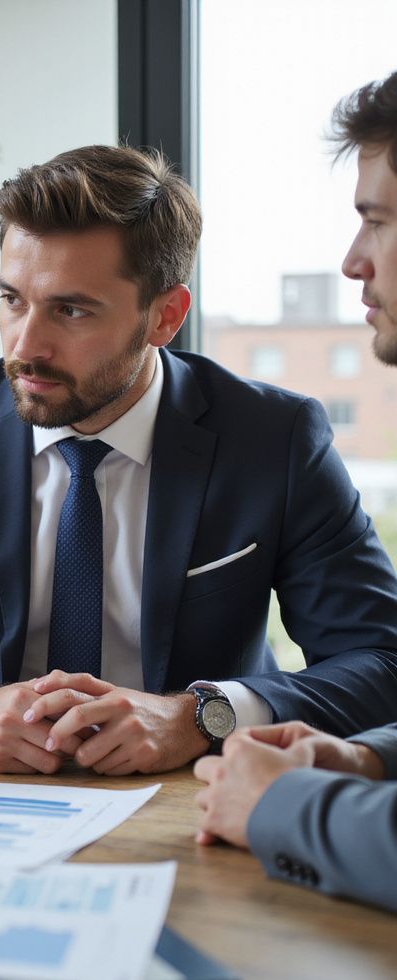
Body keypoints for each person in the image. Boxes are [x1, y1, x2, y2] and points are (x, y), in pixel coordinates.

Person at [0, 143, 397, 777]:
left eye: (71, 310)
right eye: (13, 300)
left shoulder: (273, 438)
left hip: (194, 793)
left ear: (165, 317)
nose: (26, 346)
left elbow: (380, 659)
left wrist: (197, 717)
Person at [194, 71, 397, 913]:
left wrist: (279, 805)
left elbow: (379, 655)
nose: (353, 258)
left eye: (379, 221)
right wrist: (367, 759)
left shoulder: (273, 437)